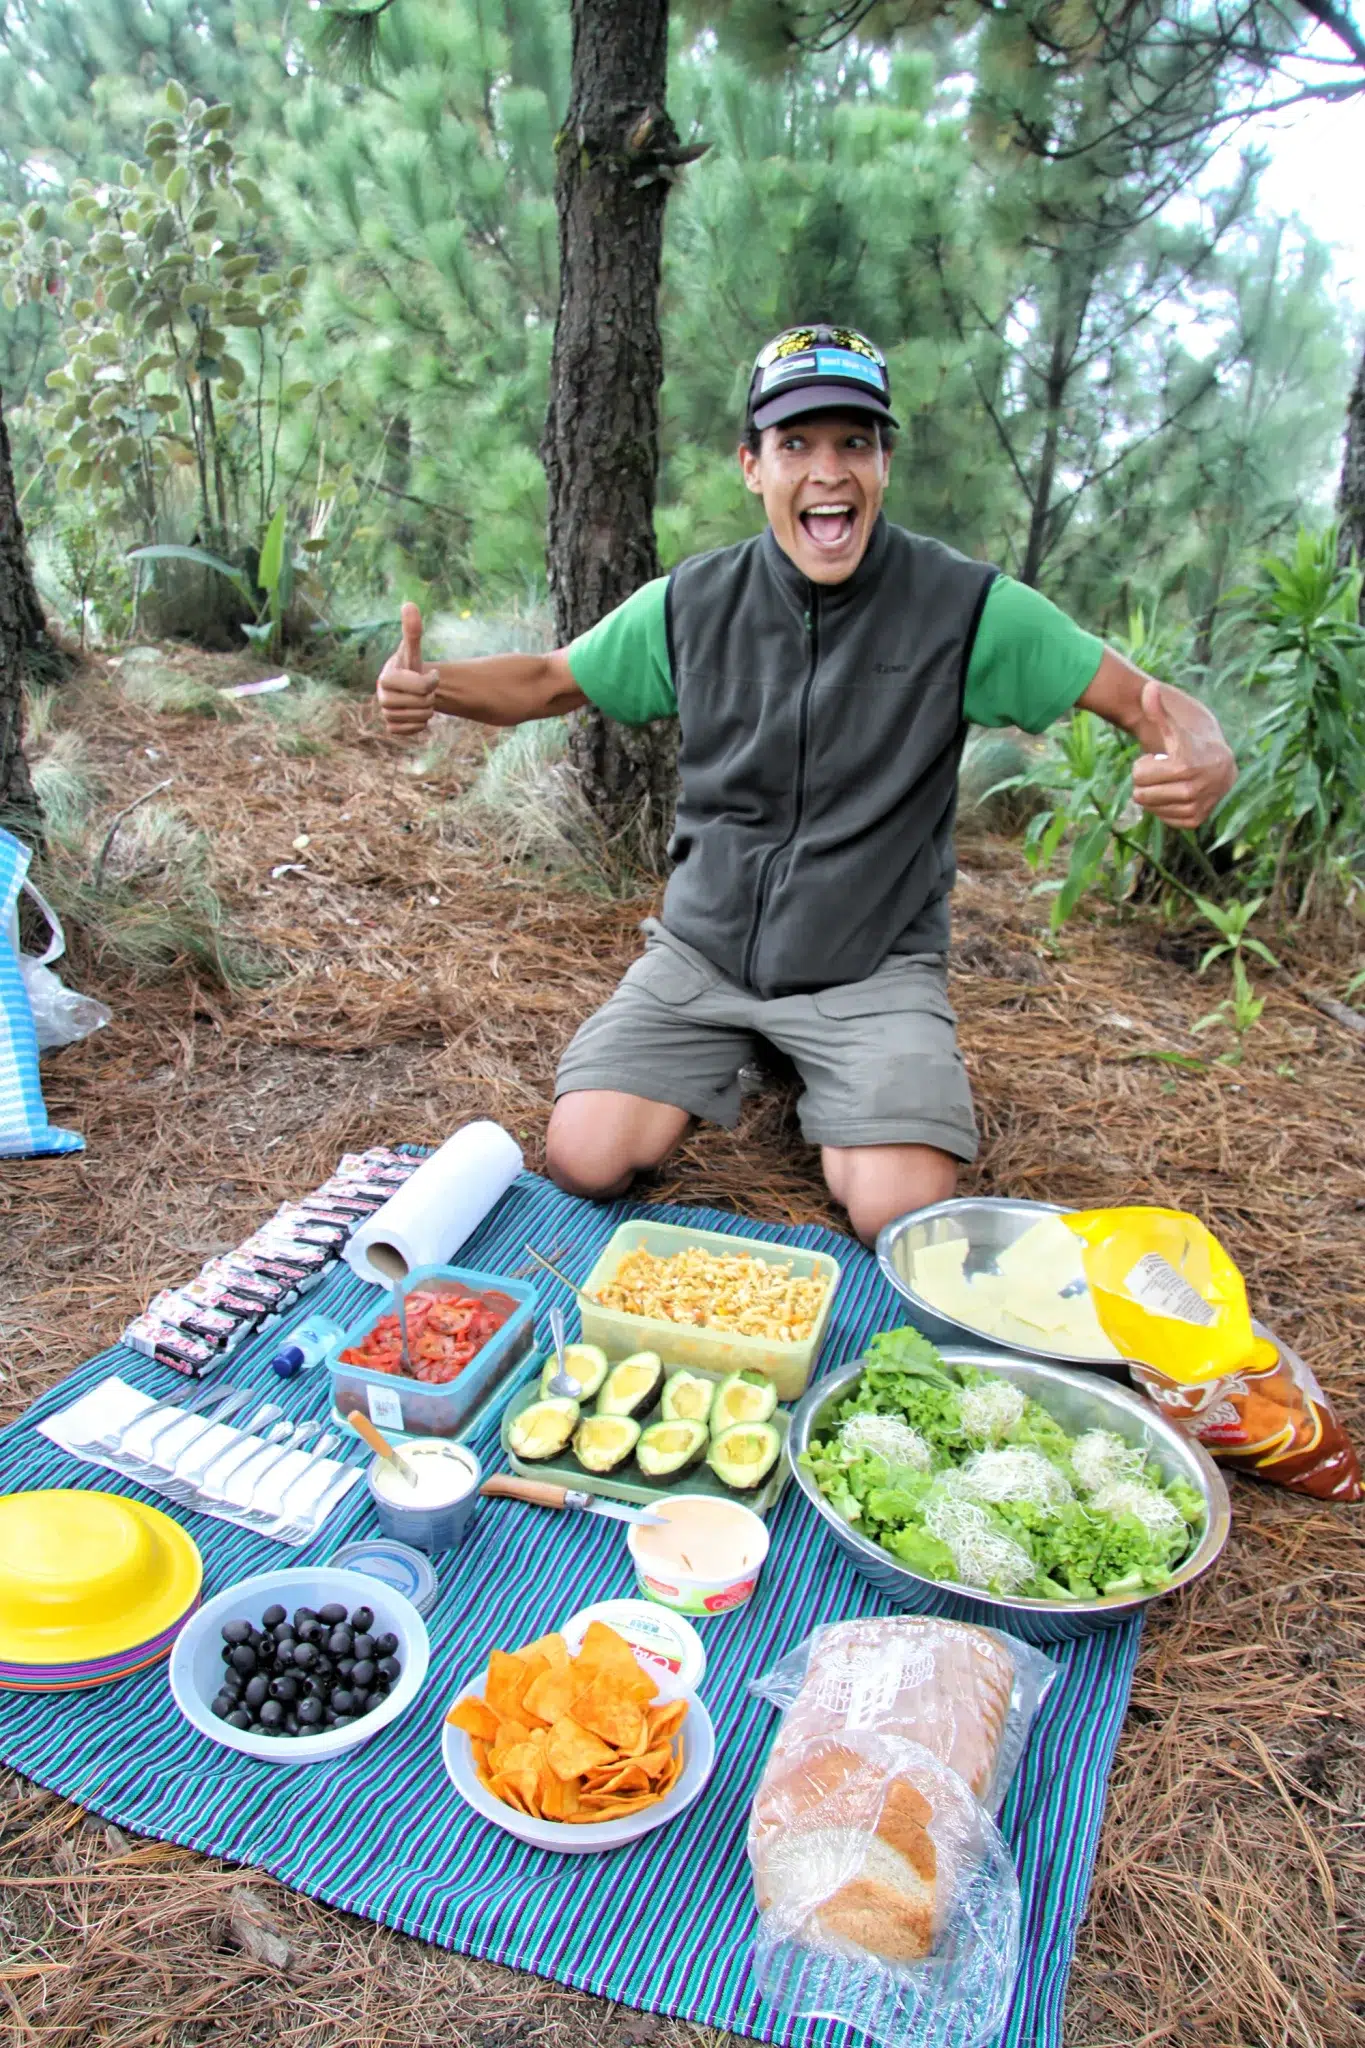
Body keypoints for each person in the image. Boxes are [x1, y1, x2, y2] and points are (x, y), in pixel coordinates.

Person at [377, 324, 1236, 1244]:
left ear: (884, 465)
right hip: (703, 956)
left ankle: (828, 1069)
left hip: (868, 970)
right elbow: (550, 680)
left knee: (898, 1214)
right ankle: (749, 1047)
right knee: (585, 1159)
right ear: (753, 467)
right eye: (795, 445)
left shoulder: (967, 608)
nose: (827, 471)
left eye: (852, 444)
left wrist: (1204, 747)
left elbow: (1141, 700)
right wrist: (437, 688)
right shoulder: (694, 604)